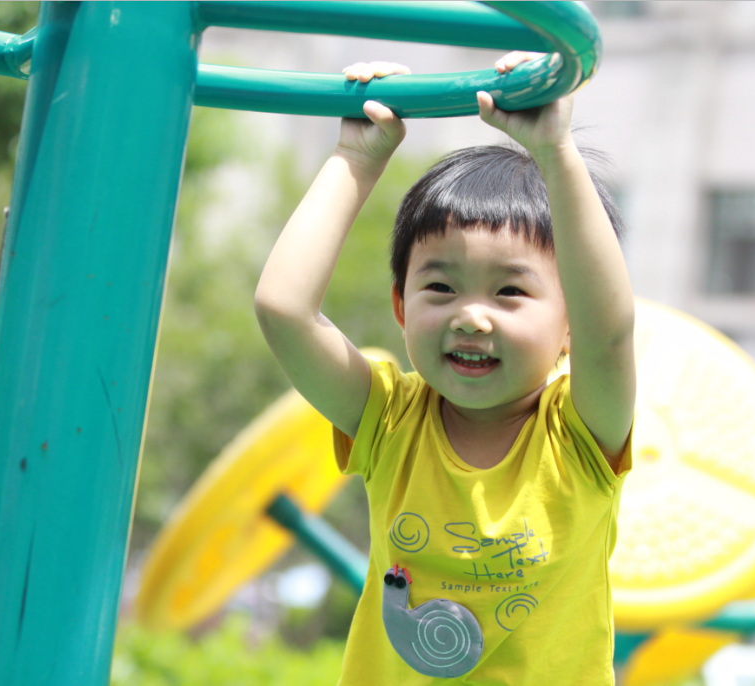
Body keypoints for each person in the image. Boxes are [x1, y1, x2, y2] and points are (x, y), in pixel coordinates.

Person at [255, 51, 635, 685]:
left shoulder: (580, 438)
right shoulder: (388, 421)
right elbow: (284, 309)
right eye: (441, 288)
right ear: (401, 307)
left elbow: (610, 334)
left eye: (510, 292)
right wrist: (354, 158)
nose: (471, 318)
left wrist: (556, 151)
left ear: (570, 326)